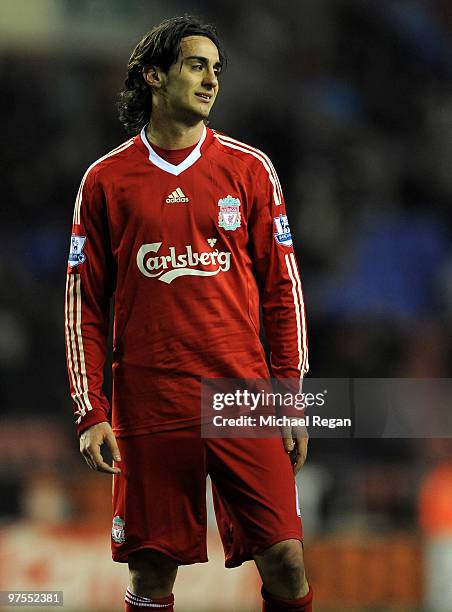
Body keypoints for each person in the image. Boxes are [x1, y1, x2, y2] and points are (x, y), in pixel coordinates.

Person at [64, 15, 313, 612]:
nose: (210, 81)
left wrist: (291, 395)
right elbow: (84, 307)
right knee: (153, 574)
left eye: (216, 69)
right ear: (154, 76)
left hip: (242, 395)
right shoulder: (105, 180)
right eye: (196, 65)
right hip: (151, 399)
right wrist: (91, 411)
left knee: (285, 557)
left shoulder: (250, 170)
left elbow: (284, 290)